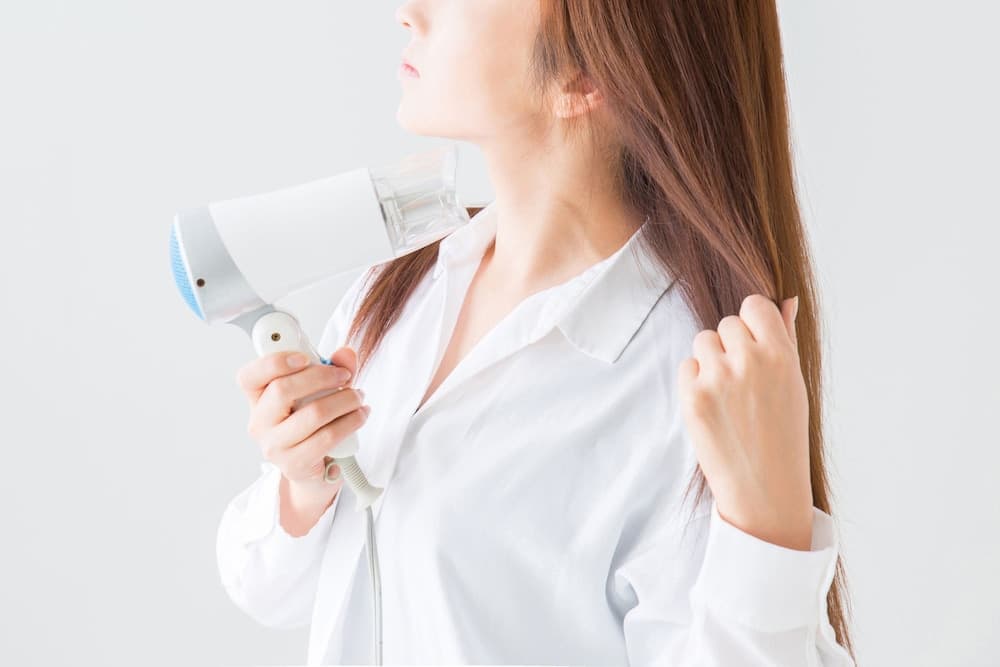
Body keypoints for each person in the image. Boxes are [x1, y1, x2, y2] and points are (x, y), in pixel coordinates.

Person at [216, 1, 858, 664]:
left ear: (584, 76)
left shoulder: (680, 381)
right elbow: (266, 588)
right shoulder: (403, 286)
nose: (408, 12)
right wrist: (305, 483)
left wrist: (768, 532)